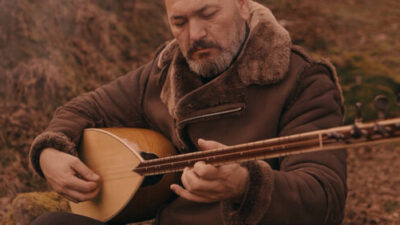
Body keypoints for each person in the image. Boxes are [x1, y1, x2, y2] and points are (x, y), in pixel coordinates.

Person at [30, 0, 346, 224]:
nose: (194, 35)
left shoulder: (302, 79)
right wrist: (50, 152)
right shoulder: (163, 72)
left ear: (242, 5)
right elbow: (86, 108)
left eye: (207, 14)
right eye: (179, 22)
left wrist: (245, 184)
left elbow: (323, 197)